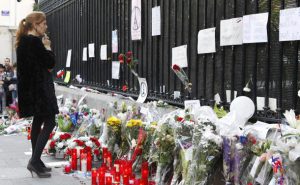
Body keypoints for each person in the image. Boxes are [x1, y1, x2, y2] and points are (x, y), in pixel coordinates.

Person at [16, 11, 58, 178]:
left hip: (31, 90)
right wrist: (48, 46)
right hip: (40, 90)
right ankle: (34, 160)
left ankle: (37, 160)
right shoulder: (35, 42)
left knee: (38, 121)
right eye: (44, 24)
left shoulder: (22, 43)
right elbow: (50, 63)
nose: (46, 26)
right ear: (35, 25)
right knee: (50, 121)